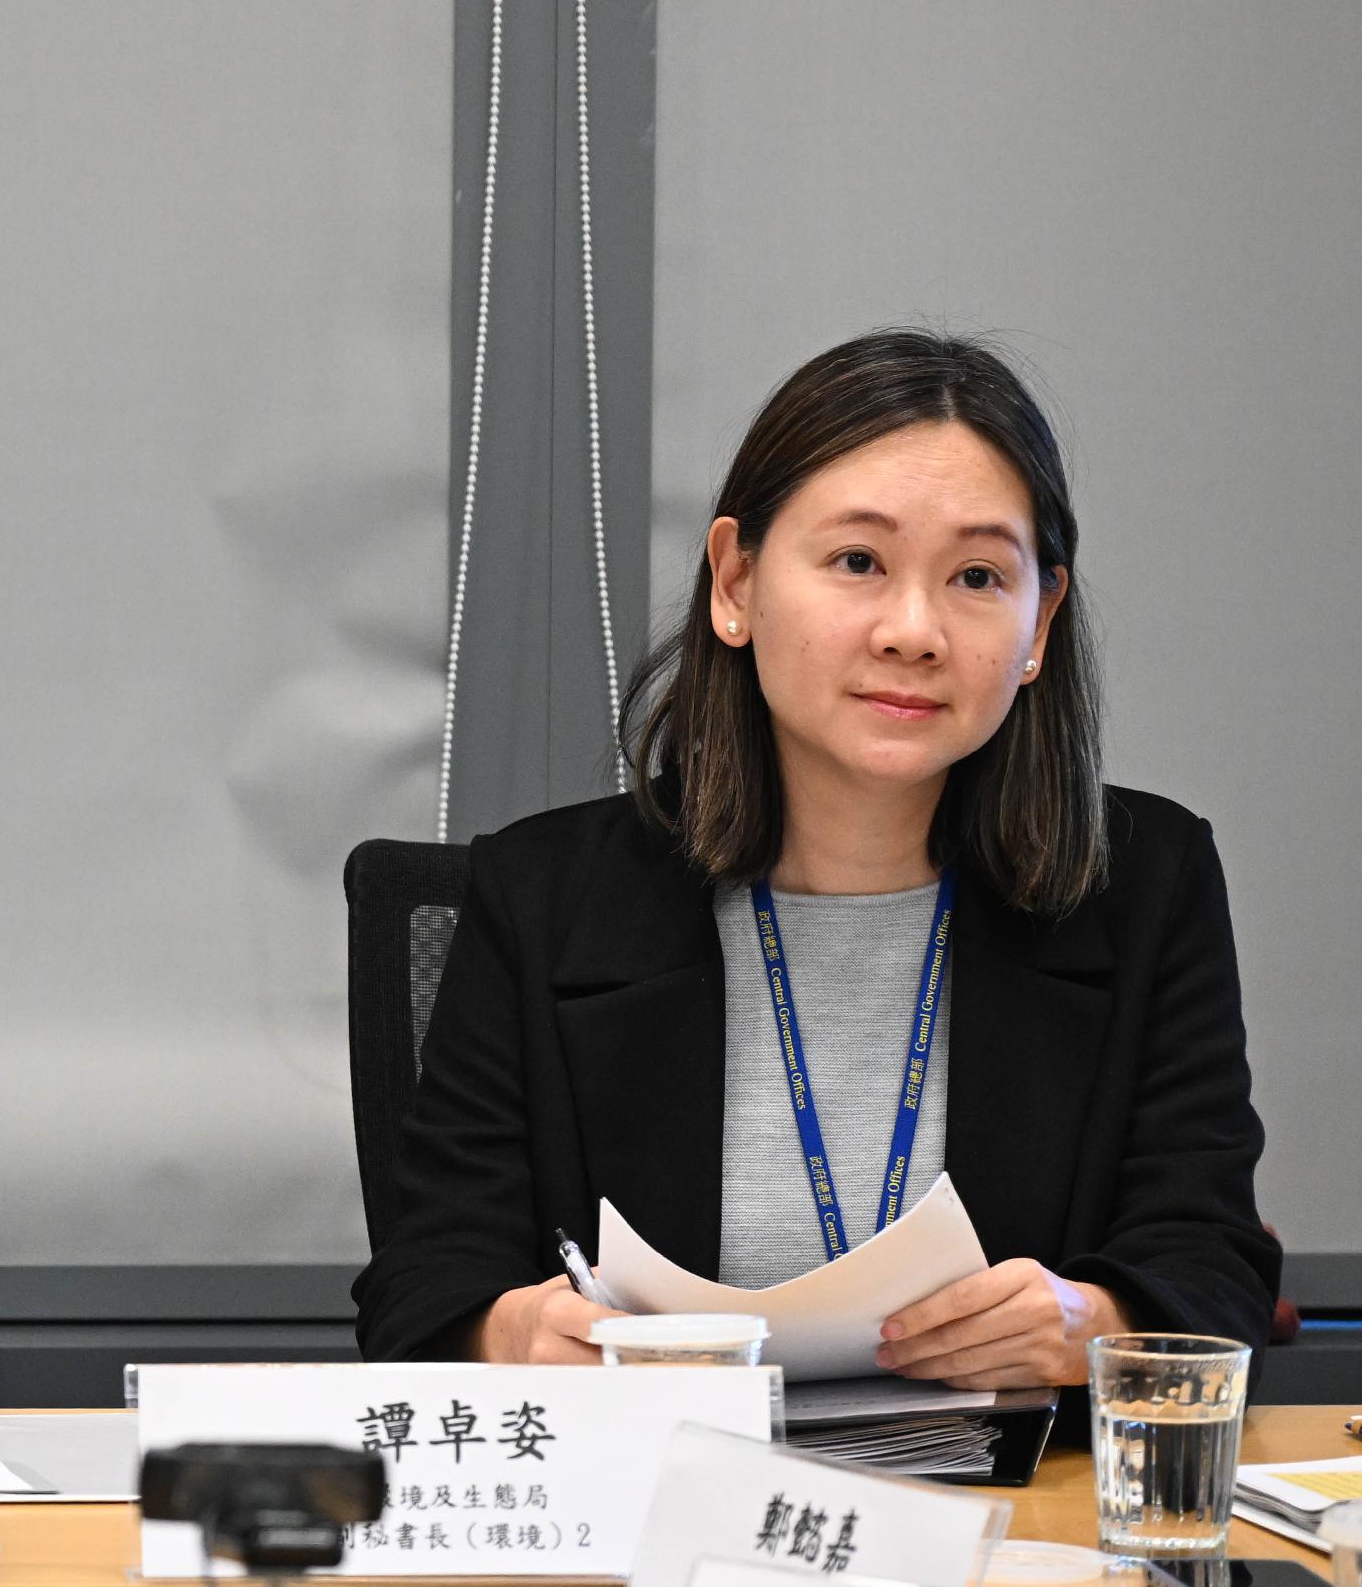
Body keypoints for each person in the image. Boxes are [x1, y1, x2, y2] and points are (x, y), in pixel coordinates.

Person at [356, 331, 1274, 1380]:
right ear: (735, 582)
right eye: (857, 562)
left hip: (1010, 1526)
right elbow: (423, 1285)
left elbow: (1211, 1264)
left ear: (1038, 625)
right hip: (651, 1517)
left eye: (977, 576)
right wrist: (509, 1333)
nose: (913, 630)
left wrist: (1095, 1323)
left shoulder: (1143, 885)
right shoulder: (540, 897)